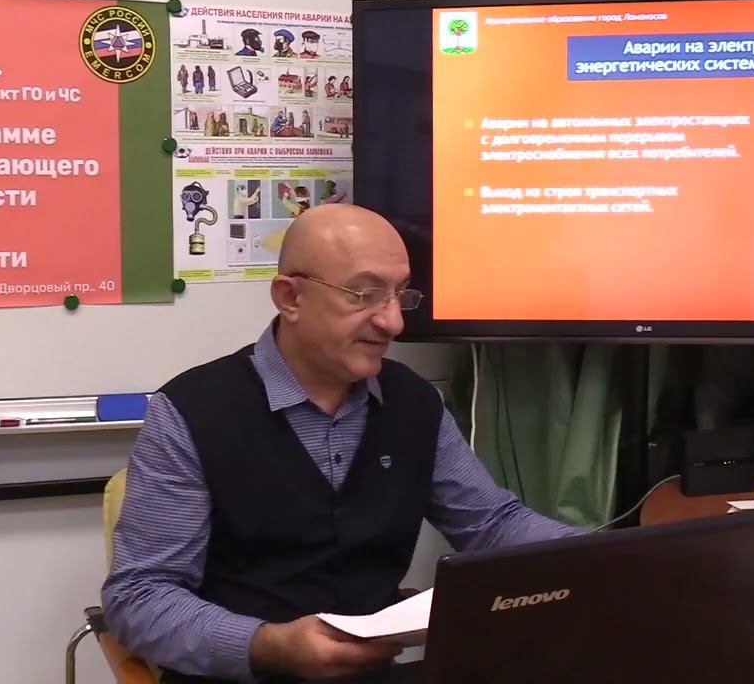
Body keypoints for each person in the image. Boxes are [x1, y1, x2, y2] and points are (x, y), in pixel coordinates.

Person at [102, 204, 578, 684]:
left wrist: (603, 557)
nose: (393, 322)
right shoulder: (192, 412)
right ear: (290, 297)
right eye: (365, 294)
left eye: (400, 295)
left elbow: (491, 524)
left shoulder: (414, 403)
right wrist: (266, 645)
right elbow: (141, 598)